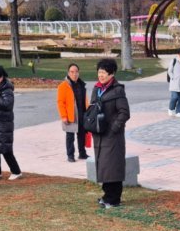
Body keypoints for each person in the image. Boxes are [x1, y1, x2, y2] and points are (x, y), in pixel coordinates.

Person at [85, 58, 130, 209]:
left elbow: (124, 113)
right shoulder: (96, 88)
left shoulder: (118, 90)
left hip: (112, 136)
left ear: (112, 74)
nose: (101, 75)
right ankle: (106, 195)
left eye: (104, 72)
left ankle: (114, 198)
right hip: (99, 133)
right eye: (99, 72)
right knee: (103, 166)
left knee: (113, 167)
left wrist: (114, 128)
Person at [56, 62, 87, 162]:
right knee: (70, 137)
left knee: (82, 135)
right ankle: (70, 156)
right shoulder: (63, 86)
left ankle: (82, 153)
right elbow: (60, 102)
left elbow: (85, 99)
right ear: (68, 73)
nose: (74, 74)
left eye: (76, 72)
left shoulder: (81, 84)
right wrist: (63, 116)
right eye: (72, 72)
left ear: (79, 73)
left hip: (82, 114)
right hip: (70, 115)